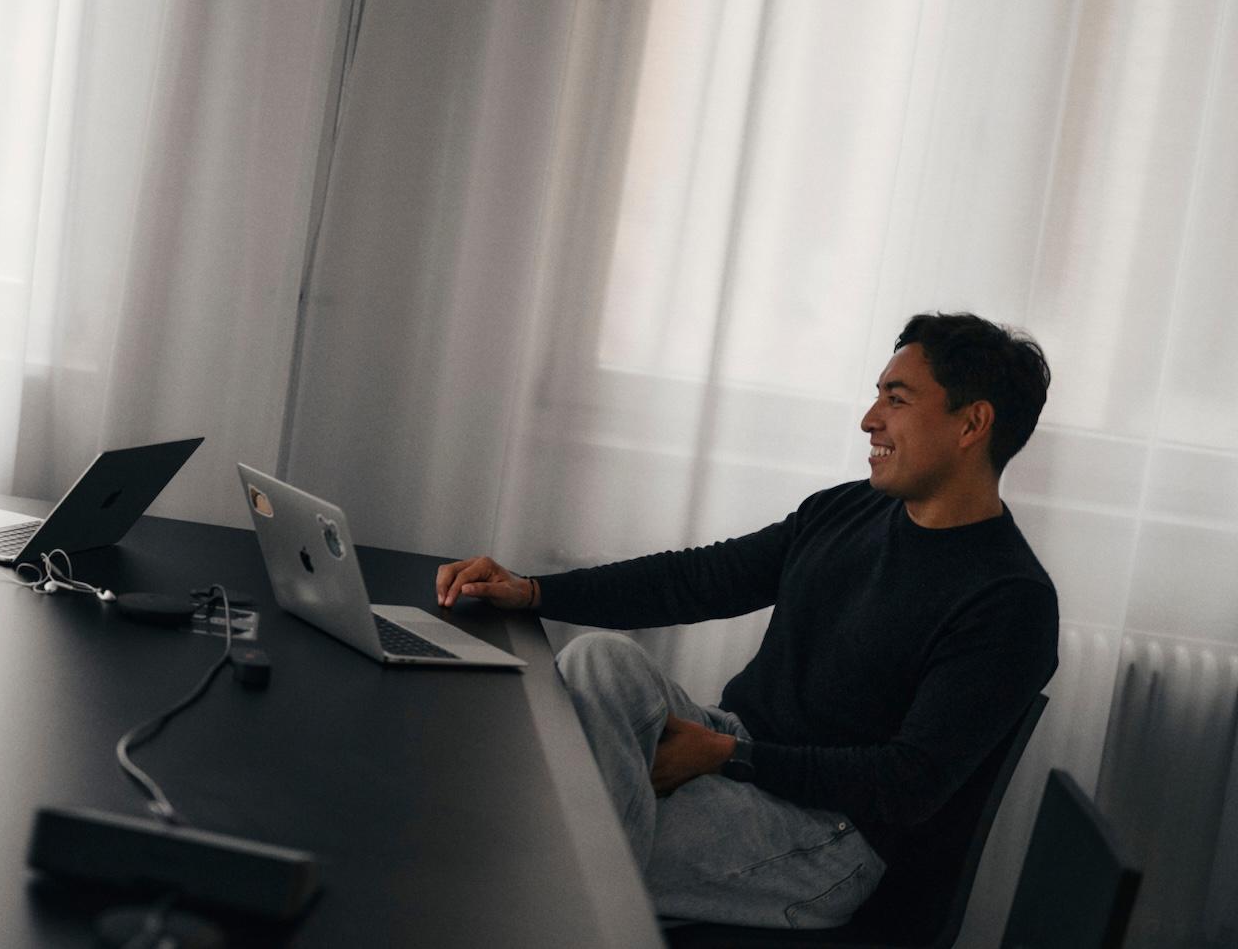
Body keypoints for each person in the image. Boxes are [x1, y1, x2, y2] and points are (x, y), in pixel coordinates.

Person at [435, 313, 1057, 929]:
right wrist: (535, 591)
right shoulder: (847, 511)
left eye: (895, 399)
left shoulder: (1010, 600)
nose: (870, 419)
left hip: (827, 837)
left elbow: (907, 784)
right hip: (734, 744)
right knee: (600, 659)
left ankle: (575, 898)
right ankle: (592, 899)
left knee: (553, 839)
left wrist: (733, 757)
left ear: (972, 423)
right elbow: (697, 580)